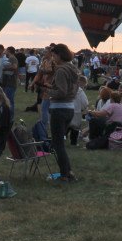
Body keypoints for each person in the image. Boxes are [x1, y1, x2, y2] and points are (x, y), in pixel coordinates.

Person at [45, 44, 81, 181]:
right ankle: (68, 171)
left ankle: (65, 174)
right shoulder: (73, 69)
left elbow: (61, 91)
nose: (53, 58)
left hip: (59, 108)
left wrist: (48, 92)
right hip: (69, 107)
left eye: (54, 55)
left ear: (59, 55)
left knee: (58, 143)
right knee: (60, 143)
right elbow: (72, 89)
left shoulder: (61, 70)